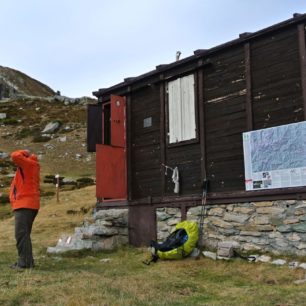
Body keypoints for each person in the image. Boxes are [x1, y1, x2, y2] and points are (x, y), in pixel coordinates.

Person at [9, 149, 40, 269]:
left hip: (25, 205)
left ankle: (25, 263)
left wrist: (23, 152)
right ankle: (26, 261)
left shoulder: (28, 164)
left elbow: (14, 155)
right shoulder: (30, 166)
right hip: (26, 204)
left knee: (21, 234)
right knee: (23, 234)